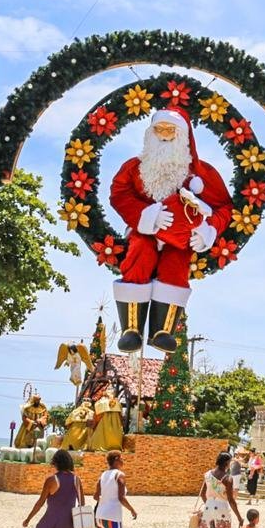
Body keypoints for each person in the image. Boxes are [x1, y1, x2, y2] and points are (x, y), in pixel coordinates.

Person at [110, 107, 234, 353]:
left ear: (183, 136)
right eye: (160, 129)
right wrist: (147, 216)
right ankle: (131, 329)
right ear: (151, 133)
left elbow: (224, 208)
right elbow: (119, 193)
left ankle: (162, 330)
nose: (165, 135)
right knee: (140, 253)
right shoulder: (135, 167)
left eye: (171, 130)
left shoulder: (202, 173)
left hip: (180, 238)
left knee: (176, 264)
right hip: (144, 232)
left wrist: (207, 230)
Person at [88, 386, 124, 451]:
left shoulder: (101, 402)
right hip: (116, 429)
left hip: (103, 427)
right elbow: (121, 417)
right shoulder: (118, 403)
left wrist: (95, 425)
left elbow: (96, 416)